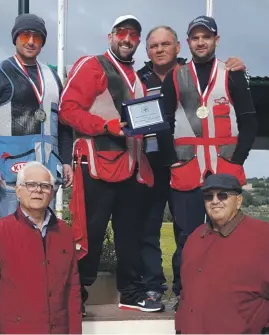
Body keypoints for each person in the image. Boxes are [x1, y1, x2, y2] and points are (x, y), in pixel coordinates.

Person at [59, 15, 164, 313]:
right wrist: (105, 126)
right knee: (90, 231)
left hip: (131, 166)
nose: (127, 38)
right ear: (111, 36)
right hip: (97, 163)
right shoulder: (91, 64)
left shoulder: (139, 77)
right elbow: (67, 110)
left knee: (130, 231)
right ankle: (75, 294)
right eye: (122, 32)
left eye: (133, 34)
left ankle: (131, 293)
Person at [136, 24, 247, 303]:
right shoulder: (136, 78)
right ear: (147, 51)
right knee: (149, 227)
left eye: (165, 44)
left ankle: (194, 287)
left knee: (188, 231)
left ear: (177, 47)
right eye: (153, 45)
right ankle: (153, 287)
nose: (159, 49)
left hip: (185, 165)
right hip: (150, 162)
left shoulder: (189, 72)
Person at [160, 15, 258, 306]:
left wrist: (237, 160)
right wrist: (171, 162)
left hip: (224, 168)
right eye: (195, 37)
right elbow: (164, 123)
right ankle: (184, 293)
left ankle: (230, 294)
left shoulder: (233, 73)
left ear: (216, 40)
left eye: (206, 36)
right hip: (187, 168)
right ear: (187, 42)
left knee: (230, 235)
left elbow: (249, 121)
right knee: (187, 239)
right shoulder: (175, 76)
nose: (201, 42)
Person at [0, 13, 73, 218]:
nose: (30, 42)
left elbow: (63, 124)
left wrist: (65, 161)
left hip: (47, 174)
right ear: (15, 38)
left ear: (43, 42)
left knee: (44, 236)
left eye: (37, 37)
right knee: (12, 237)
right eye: (24, 36)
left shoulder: (53, 76)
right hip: (11, 173)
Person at [0, 161, 82, 334]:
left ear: (52, 192)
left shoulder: (64, 232)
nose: (38, 190)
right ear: (18, 191)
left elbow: (73, 289)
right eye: (30, 184)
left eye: (44, 186)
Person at [175, 173, 269, 334]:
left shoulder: (263, 236)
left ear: (238, 201)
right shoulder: (194, 238)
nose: (215, 201)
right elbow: (186, 292)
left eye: (223, 195)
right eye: (208, 196)